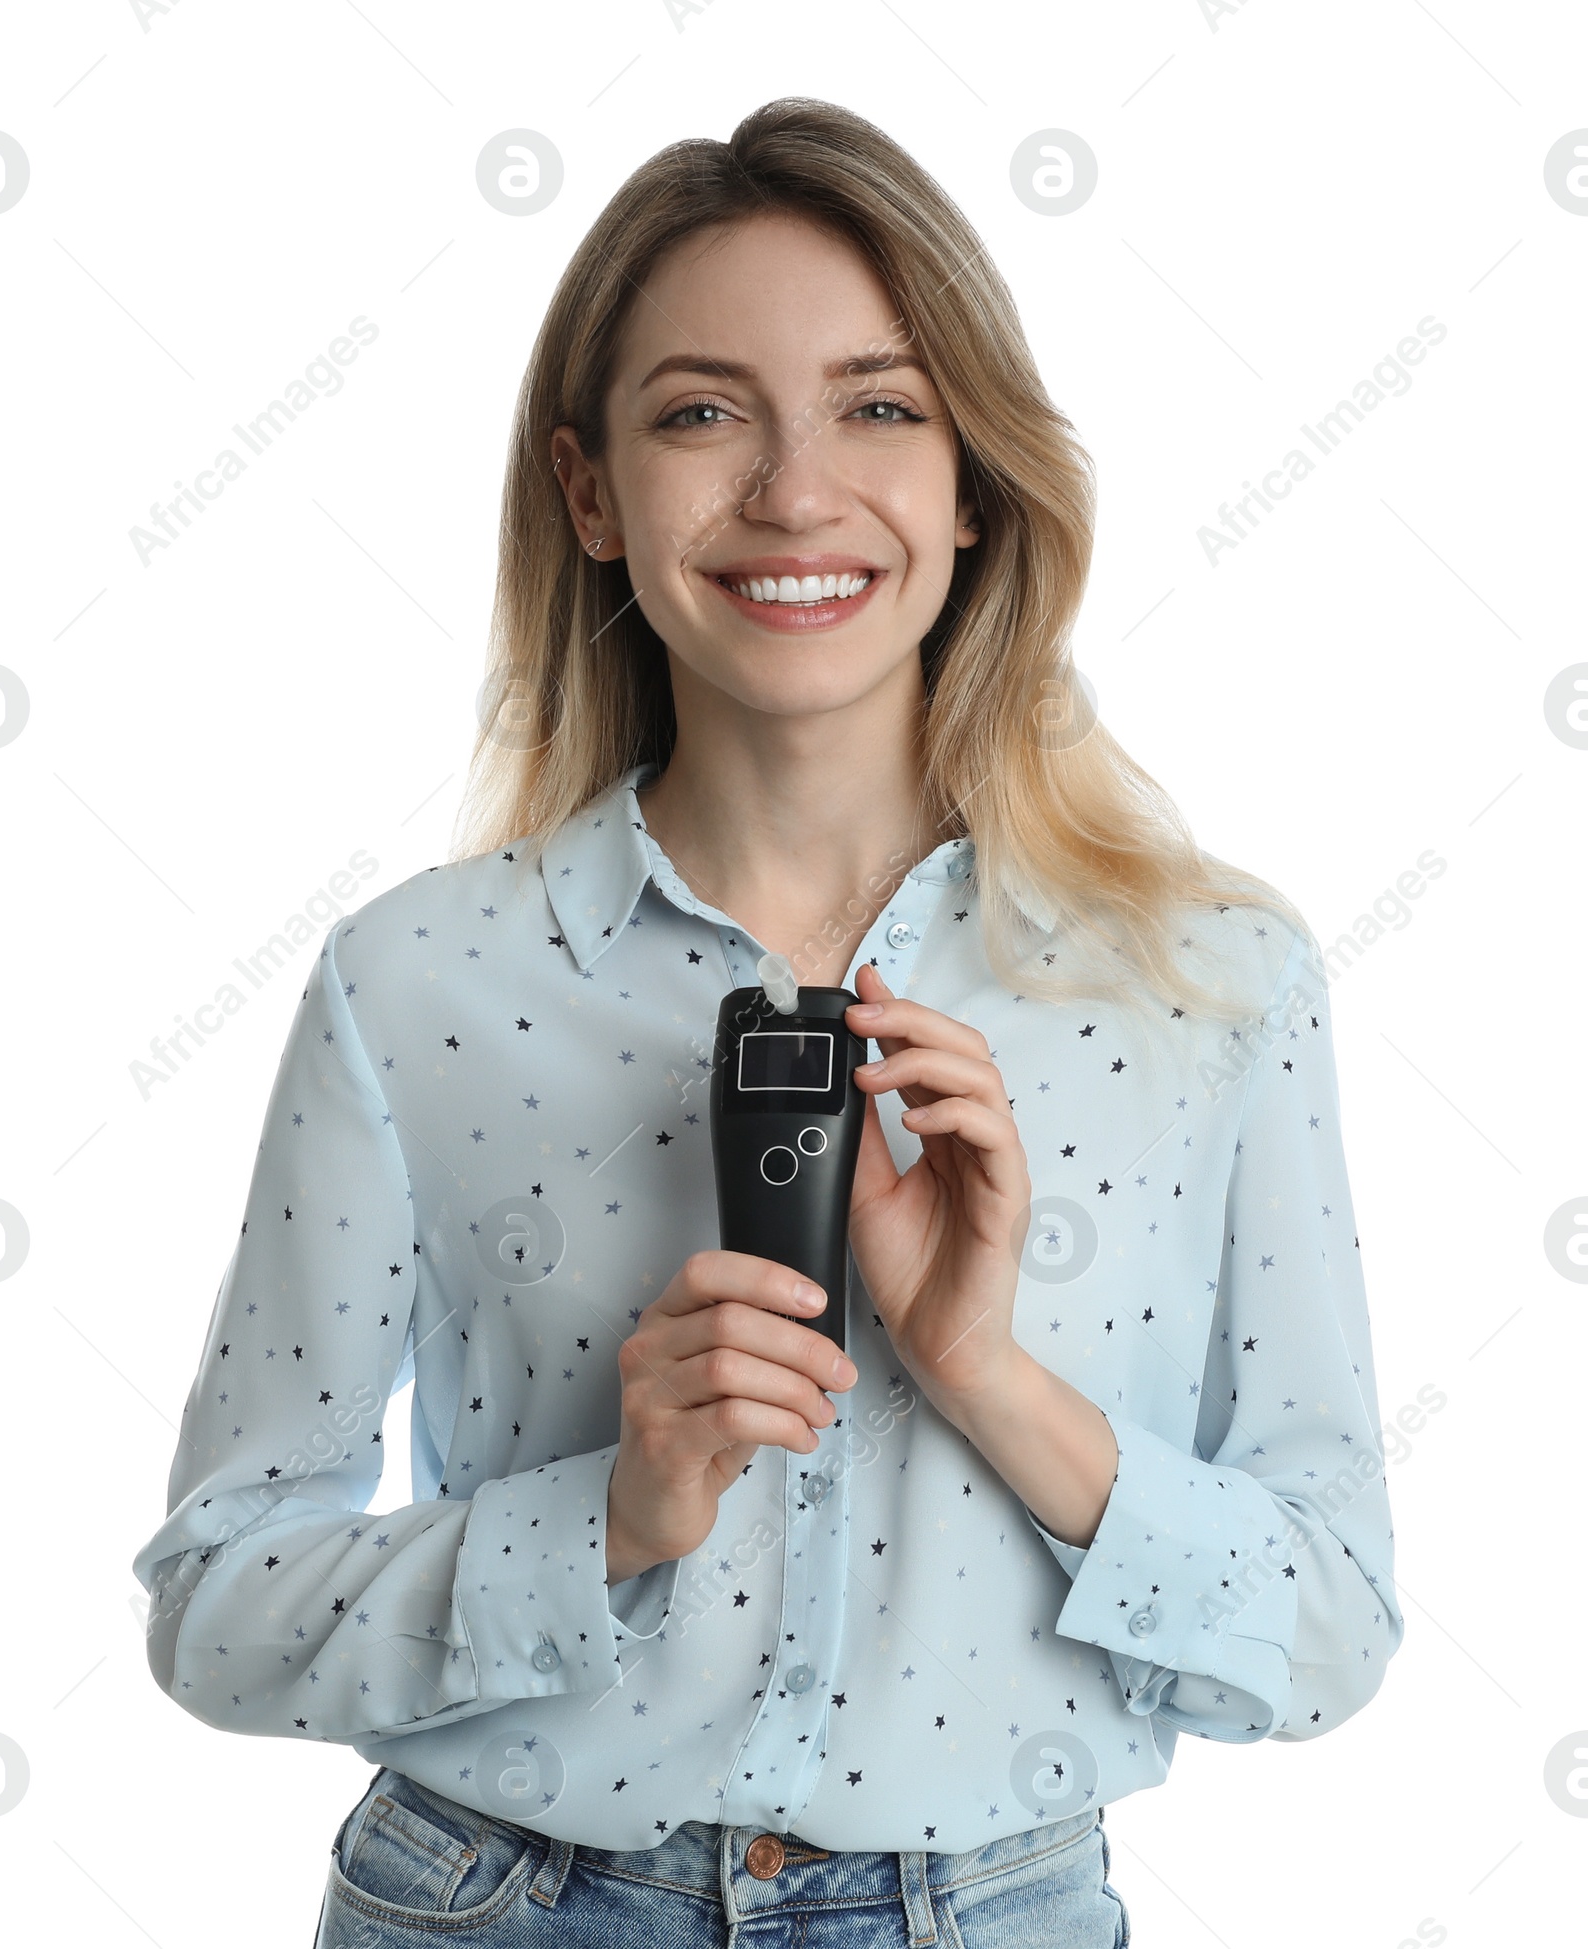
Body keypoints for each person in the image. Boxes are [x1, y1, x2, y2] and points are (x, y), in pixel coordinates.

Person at [133, 97, 1403, 1949]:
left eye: (882, 406)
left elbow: (1328, 1627)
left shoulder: (1210, 984)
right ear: (589, 491)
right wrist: (613, 1515)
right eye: (703, 411)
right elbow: (214, 1600)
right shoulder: (413, 982)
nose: (797, 492)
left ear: (975, 483)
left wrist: (989, 1372)